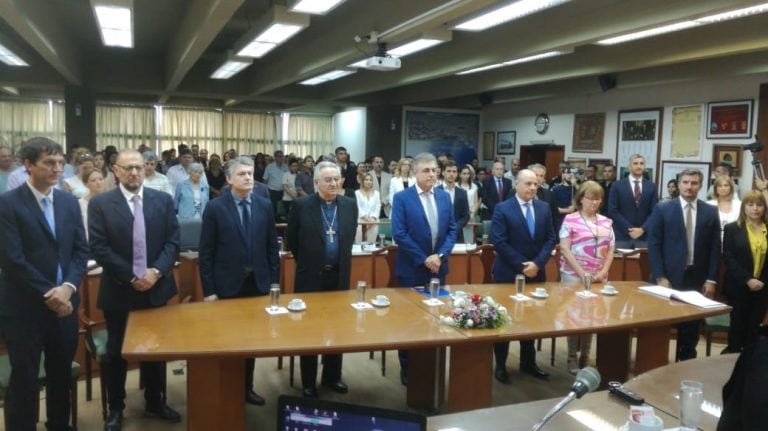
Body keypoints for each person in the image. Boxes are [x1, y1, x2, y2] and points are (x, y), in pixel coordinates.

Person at [89, 149, 182, 430]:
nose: (134, 173)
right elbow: (99, 247)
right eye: (128, 168)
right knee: (117, 352)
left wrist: (154, 272)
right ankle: (116, 408)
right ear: (116, 171)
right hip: (119, 291)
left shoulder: (163, 200)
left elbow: (172, 241)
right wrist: (133, 276)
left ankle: (155, 400)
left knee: (155, 350)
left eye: (139, 168)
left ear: (145, 170)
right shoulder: (101, 204)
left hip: (155, 288)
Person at [0, 137, 88, 431]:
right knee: (25, 377)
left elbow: (80, 250)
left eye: (61, 163)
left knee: (60, 373)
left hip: (64, 305)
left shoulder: (68, 202)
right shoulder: (8, 204)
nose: (57, 169)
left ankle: (58, 425)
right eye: (49, 163)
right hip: (24, 308)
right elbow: (12, 259)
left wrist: (68, 288)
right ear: (27, 165)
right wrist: (51, 293)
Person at [198, 156, 279, 406]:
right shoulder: (215, 207)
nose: (247, 177)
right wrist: (209, 290)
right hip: (227, 286)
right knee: (228, 341)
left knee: (251, 340)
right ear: (229, 179)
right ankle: (227, 390)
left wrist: (274, 285)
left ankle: (247, 388)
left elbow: (271, 250)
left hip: (257, 285)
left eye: (250, 173)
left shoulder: (265, 205)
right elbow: (206, 253)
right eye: (242, 173)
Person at [286, 161, 357, 399]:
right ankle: (308, 382)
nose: (334, 183)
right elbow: (292, 242)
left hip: (339, 277)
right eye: (328, 180)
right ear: (316, 183)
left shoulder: (348, 205)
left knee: (337, 329)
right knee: (309, 332)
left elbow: (347, 241)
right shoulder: (301, 206)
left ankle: (332, 376)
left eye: (337, 179)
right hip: (310, 279)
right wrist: (311, 262)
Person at [391, 152, 457, 386]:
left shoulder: (443, 196)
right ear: (415, 172)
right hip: (412, 268)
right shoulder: (402, 198)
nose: (432, 174)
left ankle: (431, 364)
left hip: (438, 269)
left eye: (434, 170)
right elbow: (399, 234)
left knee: (436, 317)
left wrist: (439, 256)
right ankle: (407, 366)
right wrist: (424, 258)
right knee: (409, 321)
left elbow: (452, 230)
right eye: (426, 171)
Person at [647, 169, 720, 361]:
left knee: (691, 328)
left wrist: (711, 278)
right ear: (679, 184)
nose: (689, 186)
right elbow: (653, 245)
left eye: (694, 183)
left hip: (696, 277)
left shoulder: (710, 211)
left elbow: (715, 248)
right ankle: (658, 365)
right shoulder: (663, 209)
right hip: (668, 278)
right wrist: (660, 276)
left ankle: (685, 364)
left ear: (700, 186)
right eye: (686, 182)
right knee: (662, 323)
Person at [491, 169, 556, 383]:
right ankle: (500, 365)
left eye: (536, 184)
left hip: (536, 274)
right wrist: (522, 265)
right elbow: (499, 241)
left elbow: (550, 239)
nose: (533, 188)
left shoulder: (544, 208)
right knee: (504, 321)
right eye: (528, 183)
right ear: (516, 185)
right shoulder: (503, 209)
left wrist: (537, 263)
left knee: (532, 320)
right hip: (509, 273)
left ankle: (528, 363)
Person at [558, 181, 615, 374]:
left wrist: (603, 272)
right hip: (574, 275)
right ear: (581, 198)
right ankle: (572, 357)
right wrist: (583, 275)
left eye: (597, 199)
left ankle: (586, 356)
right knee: (573, 316)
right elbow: (565, 248)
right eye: (590, 198)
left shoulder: (607, 222)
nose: (594, 202)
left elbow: (611, 249)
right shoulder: (570, 220)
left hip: (599, 276)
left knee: (593, 316)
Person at [722, 191, 768, 353]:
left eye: (759, 205)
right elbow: (728, 258)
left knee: (753, 330)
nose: (755, 209)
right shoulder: (732, 229)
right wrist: (748, 280)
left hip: (763, 288)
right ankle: (733, 367)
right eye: (750, 204)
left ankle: (749, 370)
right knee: (737, 329)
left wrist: (761, 281)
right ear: (744, 207)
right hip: (738, 287)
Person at [607, 154, 658, 248]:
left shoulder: (652, 186)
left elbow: (654, 212)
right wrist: (629, 229)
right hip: (622, 236)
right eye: (635, 163)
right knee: (620, 263)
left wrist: (642, 229)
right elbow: (612, 210)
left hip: (644, 237)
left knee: (643, 263)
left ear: (645, 166)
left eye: (641, 163)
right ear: (629, 166)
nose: (639, 166)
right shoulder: (617, 186)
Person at [436, 159, 469, 243]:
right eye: (449, 171)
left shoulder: (462, 193)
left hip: (457, 235)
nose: (451, 174)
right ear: (443, 173)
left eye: (454, 171)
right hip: (439, 234)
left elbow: (466, 216)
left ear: (457, 174)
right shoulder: (435, 191)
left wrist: (455, 227)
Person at [79, 169, 105, 240]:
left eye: (101, 179)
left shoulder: (111, 201)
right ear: (86, 183)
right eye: (93, 180)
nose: (98, 182)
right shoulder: (80, 204)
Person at [355, 172, 381, 244]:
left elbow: (378, 206)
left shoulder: (376, 193)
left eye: (370, 180)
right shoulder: (357, 193)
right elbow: (358, 207)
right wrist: (367, 219)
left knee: (371, 244)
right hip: (360, 220)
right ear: (362, 181)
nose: (369, 181)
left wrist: (372, 219)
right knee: (359, 242)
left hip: (373, 220)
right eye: (366, 180)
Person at [263, 150, 287, 216]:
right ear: (275, 157)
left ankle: (282, 224)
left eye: (282, 156)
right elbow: (265, 180)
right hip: (272, 192)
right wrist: (266, 192)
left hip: (284, 192)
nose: (281, 158)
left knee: (283, 210)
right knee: (273, 210)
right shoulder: (269, 167)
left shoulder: (286, 167)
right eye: (279, 156)